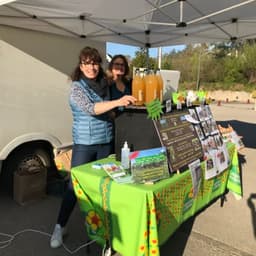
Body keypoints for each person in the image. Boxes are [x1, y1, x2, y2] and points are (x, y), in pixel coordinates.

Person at [50, 46, 136, 250]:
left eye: (95, 63)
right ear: (81, 65)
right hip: (85, 144)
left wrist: (119, 77)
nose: (91, 67)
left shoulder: (104, 84)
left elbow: (116, 89)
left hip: (106, 142)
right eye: (87, 63)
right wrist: (117, 102)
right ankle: (60, 226)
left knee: (104, 187)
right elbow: (91, 108)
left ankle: (105, 232)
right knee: (74, 186)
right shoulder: (77, 88)